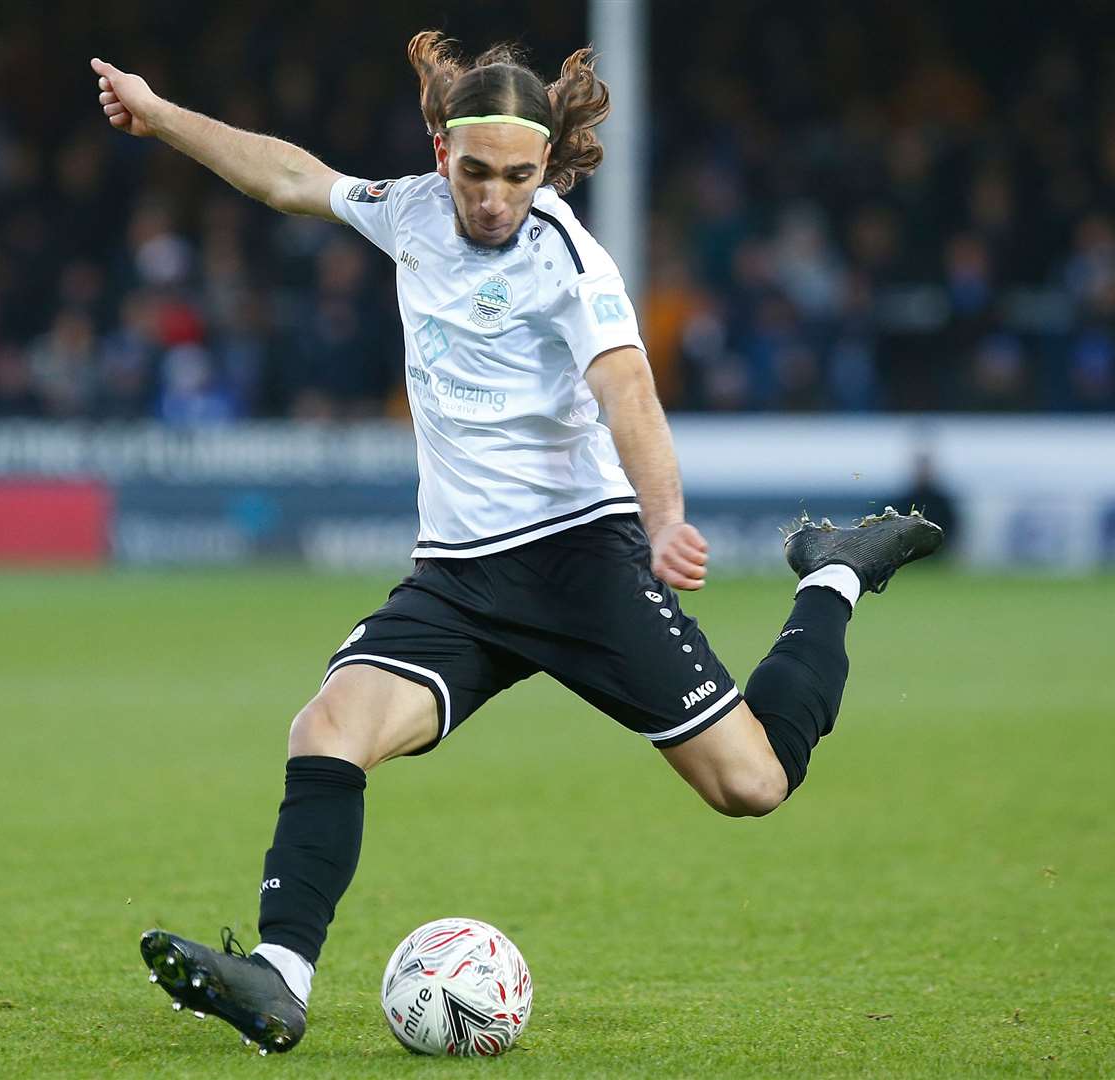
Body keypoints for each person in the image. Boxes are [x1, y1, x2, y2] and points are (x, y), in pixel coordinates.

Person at [90, 33, 942, 1056]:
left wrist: (665, 520)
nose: (496, 199)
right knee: (326, 730)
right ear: (443, 152)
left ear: (548, 168)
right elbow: (288, 177)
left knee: (752, 785)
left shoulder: (568, 260)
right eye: (478, 172)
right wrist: (160, 111)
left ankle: (838, 571)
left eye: (520, 177)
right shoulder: (409, 209)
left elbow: (628, 390)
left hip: (580, 562)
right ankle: (280, 977)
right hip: (455, 580)